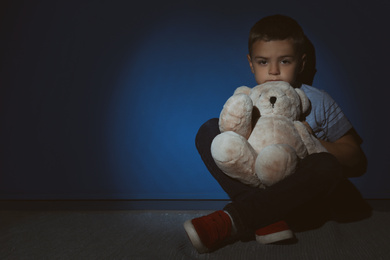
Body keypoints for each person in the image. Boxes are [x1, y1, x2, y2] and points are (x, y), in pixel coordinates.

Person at [183, 14, 368, 254]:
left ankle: (234, 219)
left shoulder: (318, 100)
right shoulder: (248, 98)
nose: (273, 71)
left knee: (326, 165)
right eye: (263, 62)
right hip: (258, 190)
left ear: (301, 63)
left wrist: (310, 139)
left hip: (300, 203)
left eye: (284, 61)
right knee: (209, 129)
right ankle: (265, 218)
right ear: (250, 63)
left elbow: (355, 157)